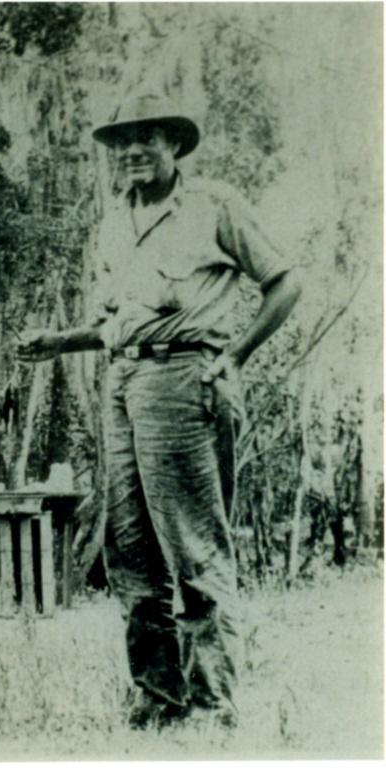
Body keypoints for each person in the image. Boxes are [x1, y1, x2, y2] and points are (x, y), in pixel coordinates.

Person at [16, 93, 301, 730]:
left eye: (148, 138)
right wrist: (59, 341)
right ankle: (156, 699)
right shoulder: (115, 218)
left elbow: (285, 282)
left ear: (175, 144)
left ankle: (210, 705)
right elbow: (117, 323)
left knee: (193, 548)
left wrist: (236, 356)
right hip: (121, 382)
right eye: (121, 142)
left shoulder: (214, 206)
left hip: (183, 379)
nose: (133, 151)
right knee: (130, 550)